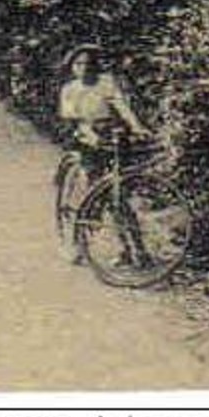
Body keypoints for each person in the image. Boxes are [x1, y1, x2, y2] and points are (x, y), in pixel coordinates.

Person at [56, 42, 153, 265]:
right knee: (91, 188)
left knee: (118, 195)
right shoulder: (70, 89)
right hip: (84, 136)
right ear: (72, 66)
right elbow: (75, 120)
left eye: (89, 64)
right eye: (78, 63)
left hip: (110, 134)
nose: (83, 68)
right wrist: (90, 135)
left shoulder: (106, 83)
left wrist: (137, 126)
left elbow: (121, 106)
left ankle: (133, 250)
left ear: (96, 66)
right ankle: (77, 243)